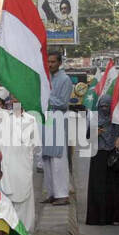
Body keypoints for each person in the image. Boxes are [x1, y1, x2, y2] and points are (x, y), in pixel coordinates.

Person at [0, 98, 39, 235]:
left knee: (24, 197)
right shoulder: (5, 118)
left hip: (23, 163)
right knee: (6, 196)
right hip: (7, 163)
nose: (16, 100)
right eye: (13, 97)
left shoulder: (31, 119)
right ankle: (8, 228)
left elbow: (34, 143)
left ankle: (25, 232)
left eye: (18, 97)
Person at [85, 93, 119, 225]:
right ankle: (97, 217)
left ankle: (113, 217)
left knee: (113, 187)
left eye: (107, 106)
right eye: (102, 106)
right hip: (98, 154)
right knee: (98, 186)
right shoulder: (94, 119)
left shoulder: (117, 121)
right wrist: (95, 133)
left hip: (113, 156)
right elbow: (86, 137)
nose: (104, 109)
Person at [42, 51, 73, 204]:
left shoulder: (65, 79)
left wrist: (46, 97)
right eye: (48, 62)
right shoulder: (47, 78)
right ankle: (52, 193)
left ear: (59, 63)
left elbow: (63, 103)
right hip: (47, 119)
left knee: (58, 158)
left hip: (59, 118)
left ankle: (62, 194)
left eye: (53, 62)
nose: (50, 64)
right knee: (47, 157)